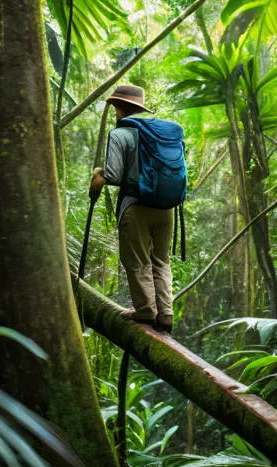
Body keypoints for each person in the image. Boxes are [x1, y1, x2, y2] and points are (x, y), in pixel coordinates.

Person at [89, 85, 174, 332]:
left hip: (135, 206)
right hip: (165, 206)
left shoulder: (120, 133)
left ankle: (146, 311)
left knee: (137, 260)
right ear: (139, 106)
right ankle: (166, 313)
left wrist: (99, 173)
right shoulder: (158, 133)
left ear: (117, 106)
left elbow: (114, 176)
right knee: (161, 259)